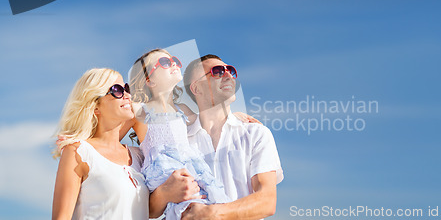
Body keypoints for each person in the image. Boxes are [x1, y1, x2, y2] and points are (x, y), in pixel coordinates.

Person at [150, 54, 284, 219]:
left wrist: (212, 213)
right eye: (218, 71)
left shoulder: (256, 134)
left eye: (231, 70)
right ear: (196, 88)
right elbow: (151, 209)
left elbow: (267, 201)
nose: (228, 75)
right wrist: (163, 193)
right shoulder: (179, 141)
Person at [125, 49, 233, 220]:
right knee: (189, 210)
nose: (174, 63)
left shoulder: (182, 109)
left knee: (209, 204)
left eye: (174, 60)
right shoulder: (139, 109)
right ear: (149, 80)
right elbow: (109, 133)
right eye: (165, 63)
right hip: (165, 173)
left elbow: (211, 117)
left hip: (192, 169)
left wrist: (237, 117)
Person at [52, 68, 149, 220]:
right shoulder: (78, 152)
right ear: (95, 106)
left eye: (127, 88)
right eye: (117, 90)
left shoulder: (139, 156)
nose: (128, 96)